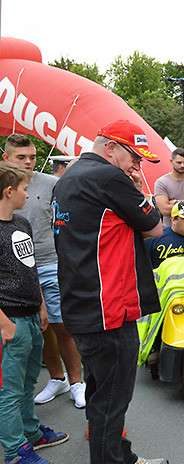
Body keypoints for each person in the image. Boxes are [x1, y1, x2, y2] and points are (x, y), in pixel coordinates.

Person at [52, 119, 168, 464]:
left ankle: (122, 458)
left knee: (102, 391)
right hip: (108, 307)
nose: (137, 165)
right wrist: (138, 189)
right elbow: (154, 227)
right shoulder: (108, 176)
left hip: (84, 303)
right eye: (134, 156)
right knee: (111, 398)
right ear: (110, 148)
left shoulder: (68, 177)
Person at [3, 135, 85, 408]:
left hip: (50, 263)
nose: (28, 162)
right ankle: (57, 378)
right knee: (41, 328)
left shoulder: (51, 183)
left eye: (33, 157)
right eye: (21, 157)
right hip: (15, 270)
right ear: (6, 158)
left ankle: (77, 382)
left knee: (62, 325)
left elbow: (66, 222)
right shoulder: (3, 186)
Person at [0, 162, 68, 464]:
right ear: (8, 192)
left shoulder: (21, 223)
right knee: (10, 391)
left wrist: (40, 304)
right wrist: (4, 323)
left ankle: (31, 432)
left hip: (30, 315)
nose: (28, 195)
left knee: (28, 381)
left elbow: (31, 268)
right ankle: (15, 453)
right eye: (24, 189)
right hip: (10, 320)